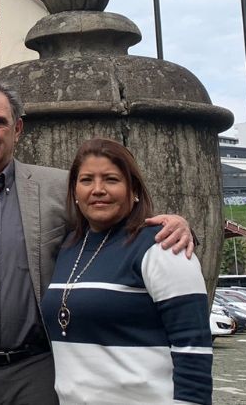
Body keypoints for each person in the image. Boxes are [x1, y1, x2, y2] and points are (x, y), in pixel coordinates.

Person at [0, 79, 194, 405]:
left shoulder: (60, 189)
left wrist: (176, 226)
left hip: (42, 371)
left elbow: (116, 227)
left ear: (17, 129)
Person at [40, 138, 212, 405]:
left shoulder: (163, 246)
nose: (97, 189)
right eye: (86, 180)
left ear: (134, 189)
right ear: (74, 191)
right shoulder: (68, 247)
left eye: (111, 179)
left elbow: (193, 349)